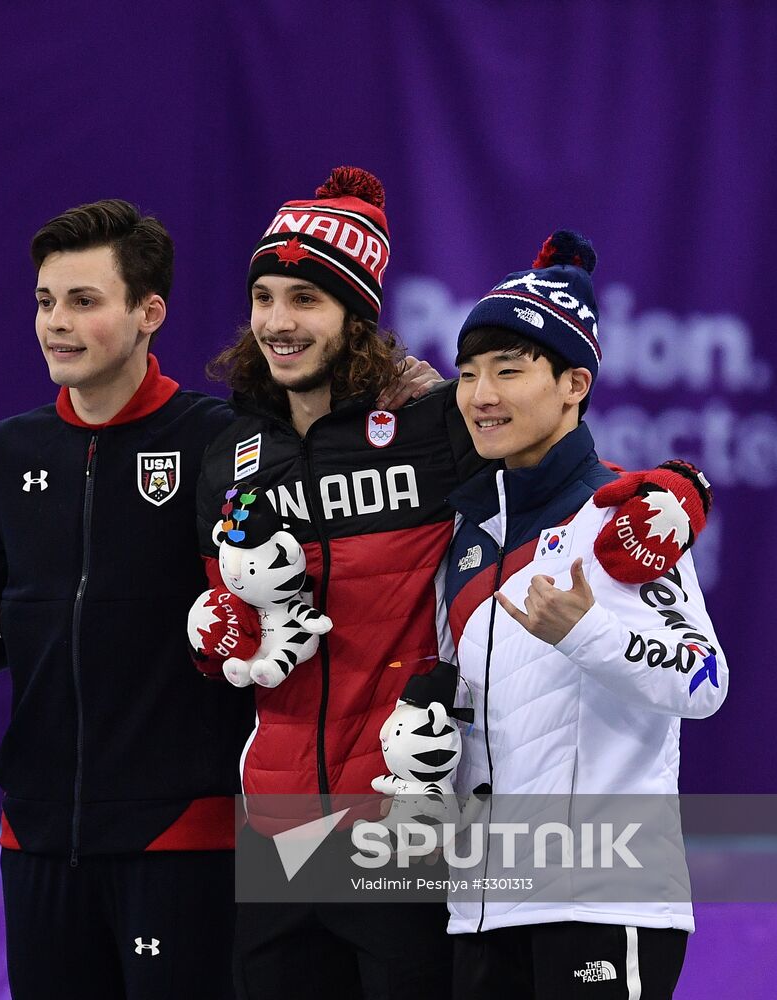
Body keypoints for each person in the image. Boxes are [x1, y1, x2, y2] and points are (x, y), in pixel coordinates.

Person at [0, 197, 436, 999]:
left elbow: (306, 534)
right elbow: (2, 616)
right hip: (36, 832)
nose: (55, 324)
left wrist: (405, 398)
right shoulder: (10, 449)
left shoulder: (227, 440)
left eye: (83, 301)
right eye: (44, 301)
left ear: (149, 313)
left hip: (186, 834)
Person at [196, 167, 489, 999]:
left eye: (305, 300)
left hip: (401, 824)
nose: (277, 323)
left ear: (354, 316)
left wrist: (675, 493)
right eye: (263, 296)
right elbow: (224, 624)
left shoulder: (433, 426)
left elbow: (556, 483)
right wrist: (214, 639)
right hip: (279, 830)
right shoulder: (229, 452)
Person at [440, 230, 728, 997]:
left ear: (573, 383)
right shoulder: (471, 534)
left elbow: (703, 679)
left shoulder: (623, 516)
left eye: (508, 370)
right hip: (481, 905)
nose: (481, 395)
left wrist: (584, 631)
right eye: (467, 374)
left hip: (604, 898)